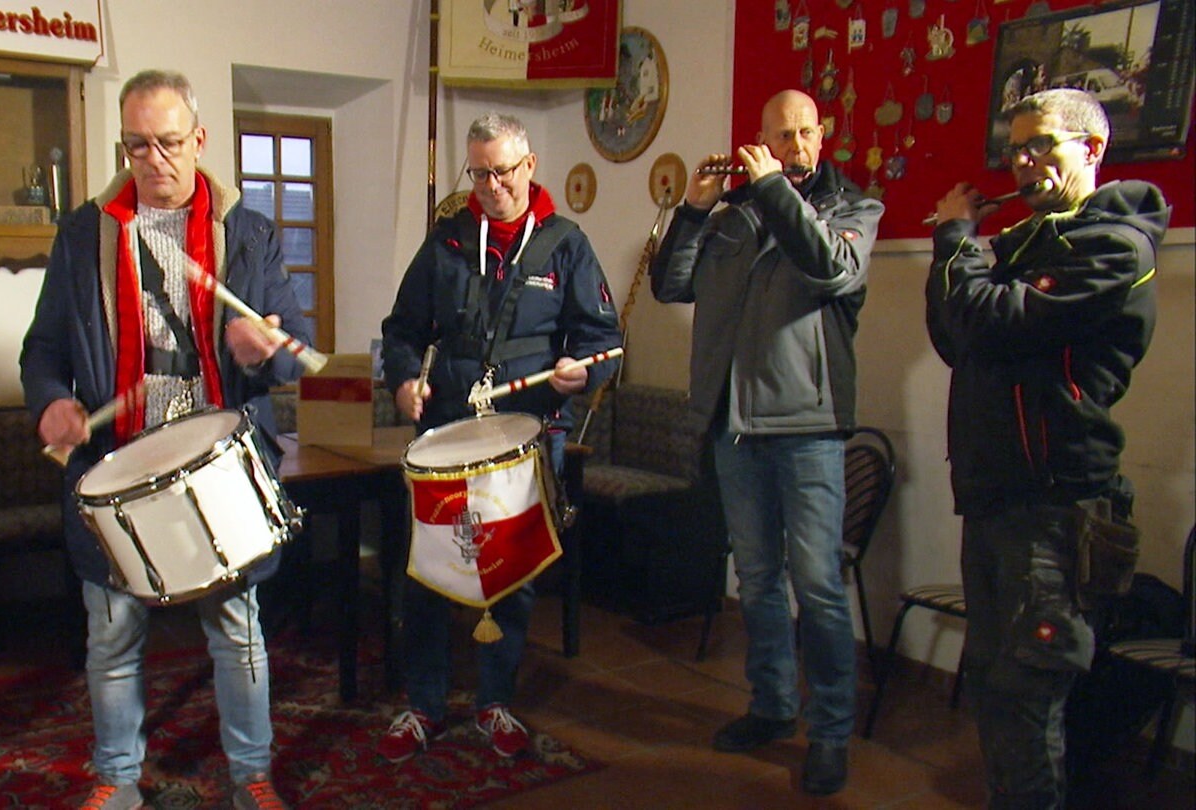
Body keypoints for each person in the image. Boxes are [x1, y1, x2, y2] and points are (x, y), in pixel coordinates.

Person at [20, 69, 310, 810]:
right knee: (113, 639)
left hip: (220, 464)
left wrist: (263, 349)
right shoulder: (86, 232)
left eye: (169, 142)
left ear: (200, 139)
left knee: (237, 632)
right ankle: (117, 780)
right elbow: (42, 350)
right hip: (117, 458)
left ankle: (251, 776)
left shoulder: (248, 230)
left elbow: (293, 344)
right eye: (137, 144)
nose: (153, 159)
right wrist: (52, 401)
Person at [925, 88, 1166, 809]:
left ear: (1091, 149)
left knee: (1030, 697)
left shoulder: (1113, 246)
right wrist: (961, 249)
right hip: (998, 498)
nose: (1024, 163)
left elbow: (991, 322)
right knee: (998, 690)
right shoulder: (1026, 242)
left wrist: (955, 240)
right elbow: (955, 337)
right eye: (1016, 150)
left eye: (1042, 147)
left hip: (1056, 508)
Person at [650, 89, 882, 796]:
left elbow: (831, 268)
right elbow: (669, 284)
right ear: (760, 137)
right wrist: (694, 207)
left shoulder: (852, 208)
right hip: (734, 425)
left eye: (806, 132)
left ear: (823, 134)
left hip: (807, 427)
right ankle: (773, 706)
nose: (796, 145)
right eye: (781, 135)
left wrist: (776, 188)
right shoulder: (730, 217)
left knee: (817, 585)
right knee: (755, 581)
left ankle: (832, 731)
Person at [377, 111, 621, 762]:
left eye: (504, 171)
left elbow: (606, 345)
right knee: (428, 571)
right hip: (447, 434)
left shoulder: (567, 245)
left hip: (527, 434)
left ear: (530, 165)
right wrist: (403, 382)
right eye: (480, 173)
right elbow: (400, 332)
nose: (492, 185)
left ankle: (495, 701)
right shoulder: (447, 243)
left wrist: (580, 373)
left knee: (511, 577)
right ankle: (424, 704)